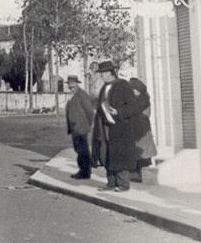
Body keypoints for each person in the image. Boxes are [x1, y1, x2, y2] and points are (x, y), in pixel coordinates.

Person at [91, 61, 148, 192]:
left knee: (120, 155)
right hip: (104, 127)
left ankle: (123, 184)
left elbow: (134, 106)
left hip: (120, 128)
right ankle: (111, 182)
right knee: (106, 154)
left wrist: (119, 112)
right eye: (101, 74)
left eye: (103, 73)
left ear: (110, 73)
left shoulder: (123, 86)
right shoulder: (104, 88)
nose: (101, 76)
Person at [65, 75, 95, 180]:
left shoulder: (82, 94)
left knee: (83, 150)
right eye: (69, 83)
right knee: (78, 149)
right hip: (75, 128)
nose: (70, 86)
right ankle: (83, 170)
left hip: (81, 127)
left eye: (72, 83)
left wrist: (88, 124)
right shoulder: (73, 95)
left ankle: (85, 172)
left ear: (77, 83)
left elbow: (90, 111)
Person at [128, 78, 157, 183]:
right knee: (139, 152)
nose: (132, 92)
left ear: (138, 90)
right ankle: (136, 173)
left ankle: (140, 175)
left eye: (134, 90)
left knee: (142, 152)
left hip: (142, 130)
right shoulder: (139, 99)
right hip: (138, 130)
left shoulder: (142, 100)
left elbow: (143, 115)